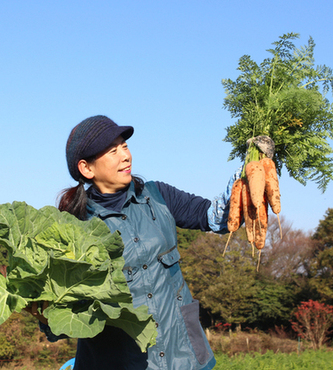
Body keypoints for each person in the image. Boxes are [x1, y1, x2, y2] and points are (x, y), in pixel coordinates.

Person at [37, 115, 240, 370]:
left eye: (124, 146)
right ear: (87, 168)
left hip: (184, 355)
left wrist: (247, 175)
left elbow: (215, 218)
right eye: (113, 151)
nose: (125, 156)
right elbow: (64, 319)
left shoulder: (157, 196)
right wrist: (45, 316)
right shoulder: (74, 228)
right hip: (122, 361)